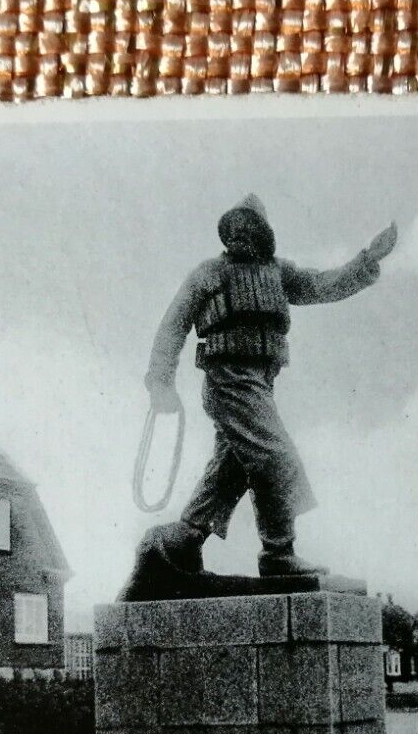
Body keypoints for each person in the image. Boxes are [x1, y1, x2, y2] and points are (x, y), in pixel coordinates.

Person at [142, 194, 395, 577]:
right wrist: (160, 382)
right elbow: (172, 326)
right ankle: (278, 553)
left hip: (261, 383)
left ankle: (182, 540)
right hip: (228, 381)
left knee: (233, 467)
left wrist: (366, 260)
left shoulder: (279, 273)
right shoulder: (207, 273)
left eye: (249, 227)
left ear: (263, 233)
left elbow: (323, 284)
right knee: (276, 458)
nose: (240, 234)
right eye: (234, 227)